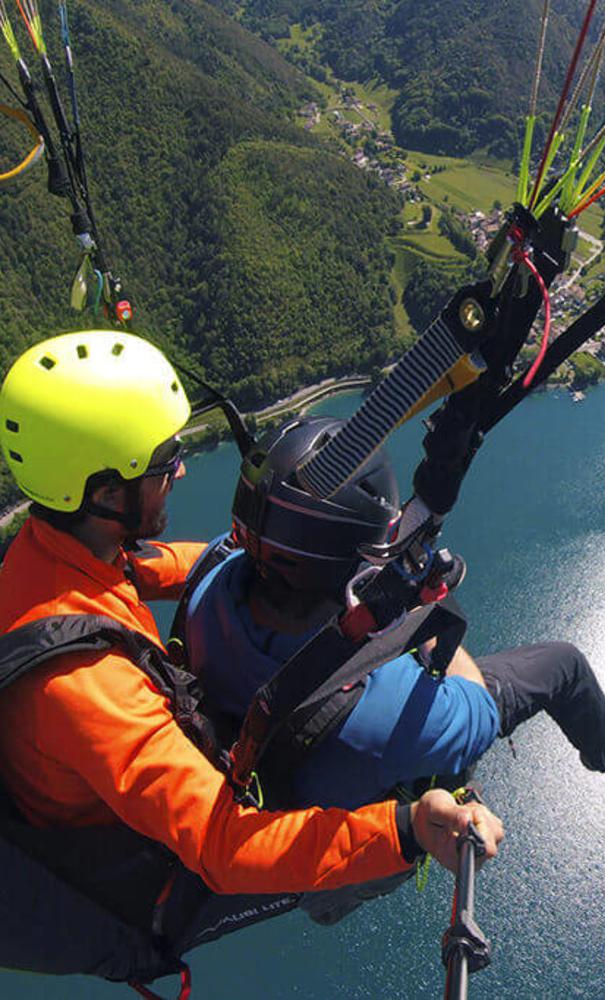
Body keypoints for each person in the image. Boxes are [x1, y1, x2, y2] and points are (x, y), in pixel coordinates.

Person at [0, 330, 503, 984]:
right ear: (103, 494)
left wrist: (255, 549)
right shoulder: (85, 688)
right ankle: (336, 896)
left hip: (114, 791)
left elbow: (141, 571)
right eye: (162, 460)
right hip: (144, 882)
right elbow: (224, 848)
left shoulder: (42, 555)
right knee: (362, 798)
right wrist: (404, 831)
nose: (179, 469)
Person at [185, 414, 605, 820]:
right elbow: (477, 710)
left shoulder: (210, 580)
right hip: (352, 771)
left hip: (261, 736)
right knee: (564, 663)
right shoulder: (376, 711)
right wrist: (421, 614)